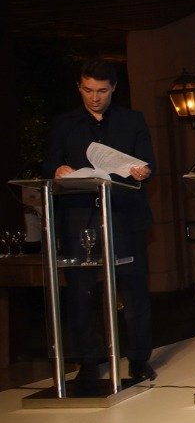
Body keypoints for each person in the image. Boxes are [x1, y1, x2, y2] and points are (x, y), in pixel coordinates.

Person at [42, 59, 156, 390]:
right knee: (81, 291)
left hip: (124, 214)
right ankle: (88, 362)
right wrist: (58, 170)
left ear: (114, 88)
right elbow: (49, 164)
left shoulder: (132, 120)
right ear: (79, 88)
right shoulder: (65, 124)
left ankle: (138, 359)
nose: (94, 98)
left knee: (133, 289)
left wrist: (142, 171)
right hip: (79, 216)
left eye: (102, 91)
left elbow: (149, 164)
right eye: (88, 90)